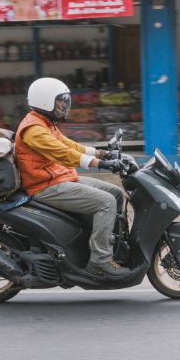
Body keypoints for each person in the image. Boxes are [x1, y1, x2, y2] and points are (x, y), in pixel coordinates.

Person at [14, 78, 130, 279]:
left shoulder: (45, 123)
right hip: (44, 186)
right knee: (106, 203)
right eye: (59, 101)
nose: (64, 106)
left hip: (59, 178)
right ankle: (100, 263)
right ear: (44, 102)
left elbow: (69, 144)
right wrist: (98, 164)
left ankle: (109, 246)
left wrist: (101, 153)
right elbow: (63, 153)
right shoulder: (34, 130)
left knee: (116, 194)